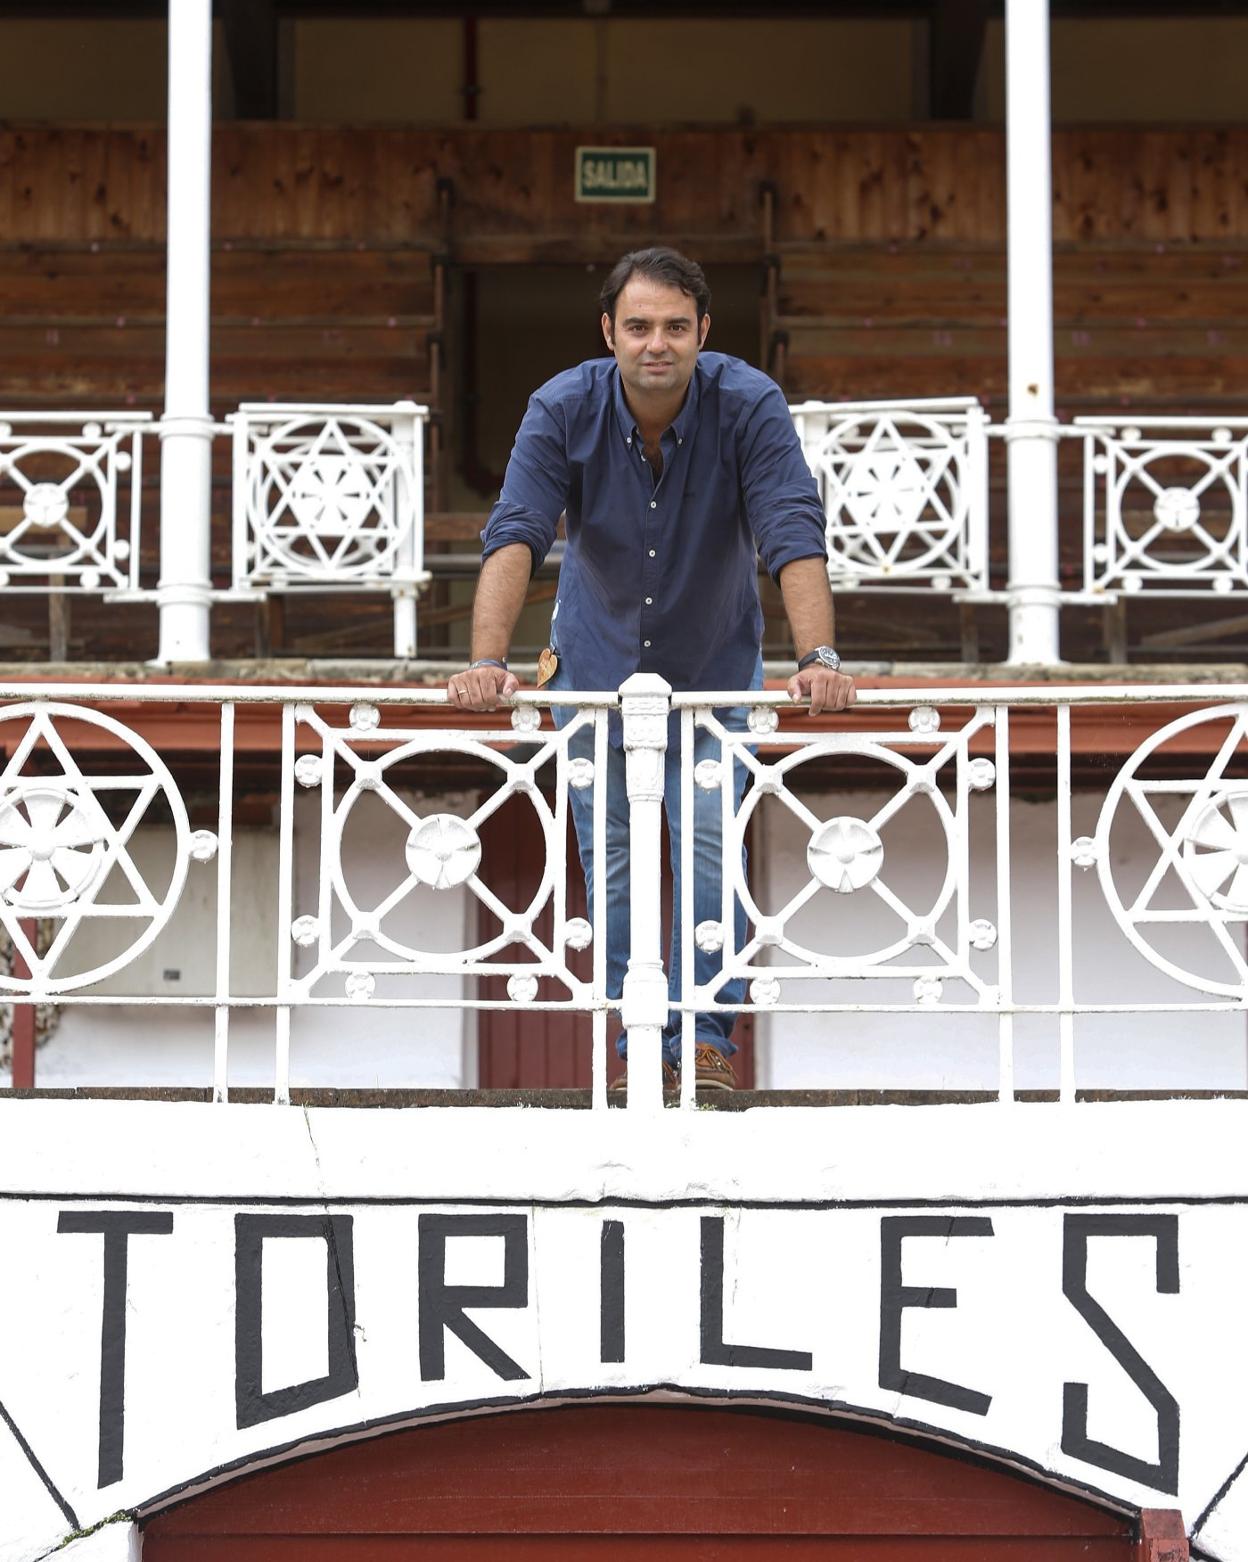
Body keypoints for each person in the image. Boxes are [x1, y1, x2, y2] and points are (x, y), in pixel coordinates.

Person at [447, 246, 855, 1092]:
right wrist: (486, 662)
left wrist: (818, 658)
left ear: (704, 331)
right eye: (638, 326)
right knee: (616, 858)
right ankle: (641, 1050)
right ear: (610, 332)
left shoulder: (750, 404)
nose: (656, 344)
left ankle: (705, 1043)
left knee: (709, 842)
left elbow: (791, 528)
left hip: (712, 674)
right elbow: (518, 530)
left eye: (675, 326)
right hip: (593, 675)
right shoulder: (560, 406)